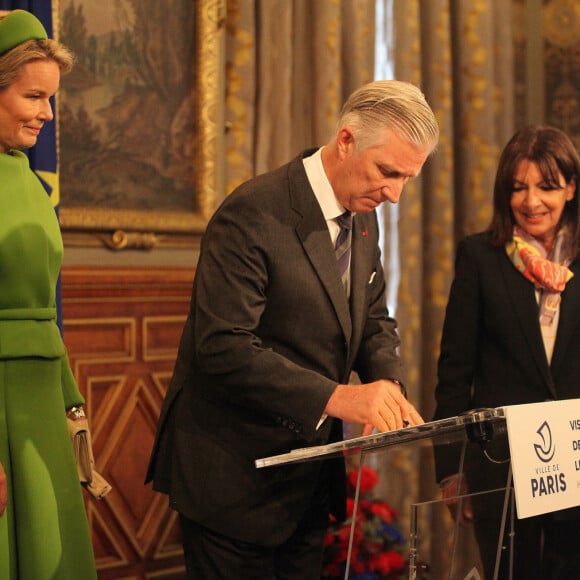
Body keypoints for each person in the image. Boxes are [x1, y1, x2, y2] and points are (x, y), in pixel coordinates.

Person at [146, 79, 439, 579]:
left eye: (408, 179)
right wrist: (339, 397)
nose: (395, 194)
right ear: (346, 140)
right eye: (387, 172)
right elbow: (222, 347)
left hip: (304, 483)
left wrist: (386, 380)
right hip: (232, 479)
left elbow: (371, 317)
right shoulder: (253, 212)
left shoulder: (362, 216)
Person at [433, 125, 580, 579]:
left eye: (547, 187)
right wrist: (450, 472)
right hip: (500, 468)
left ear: (571, 188)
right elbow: (455, 371)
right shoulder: (480, 257)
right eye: (518, 188)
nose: (531, 201)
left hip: (574, 460)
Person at [0, 10, 98, 580]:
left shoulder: (30, 181)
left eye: (51, 98)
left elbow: (44, 310)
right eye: (34, 96)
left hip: (40, 402)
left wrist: (71, 402)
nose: (47, 113)